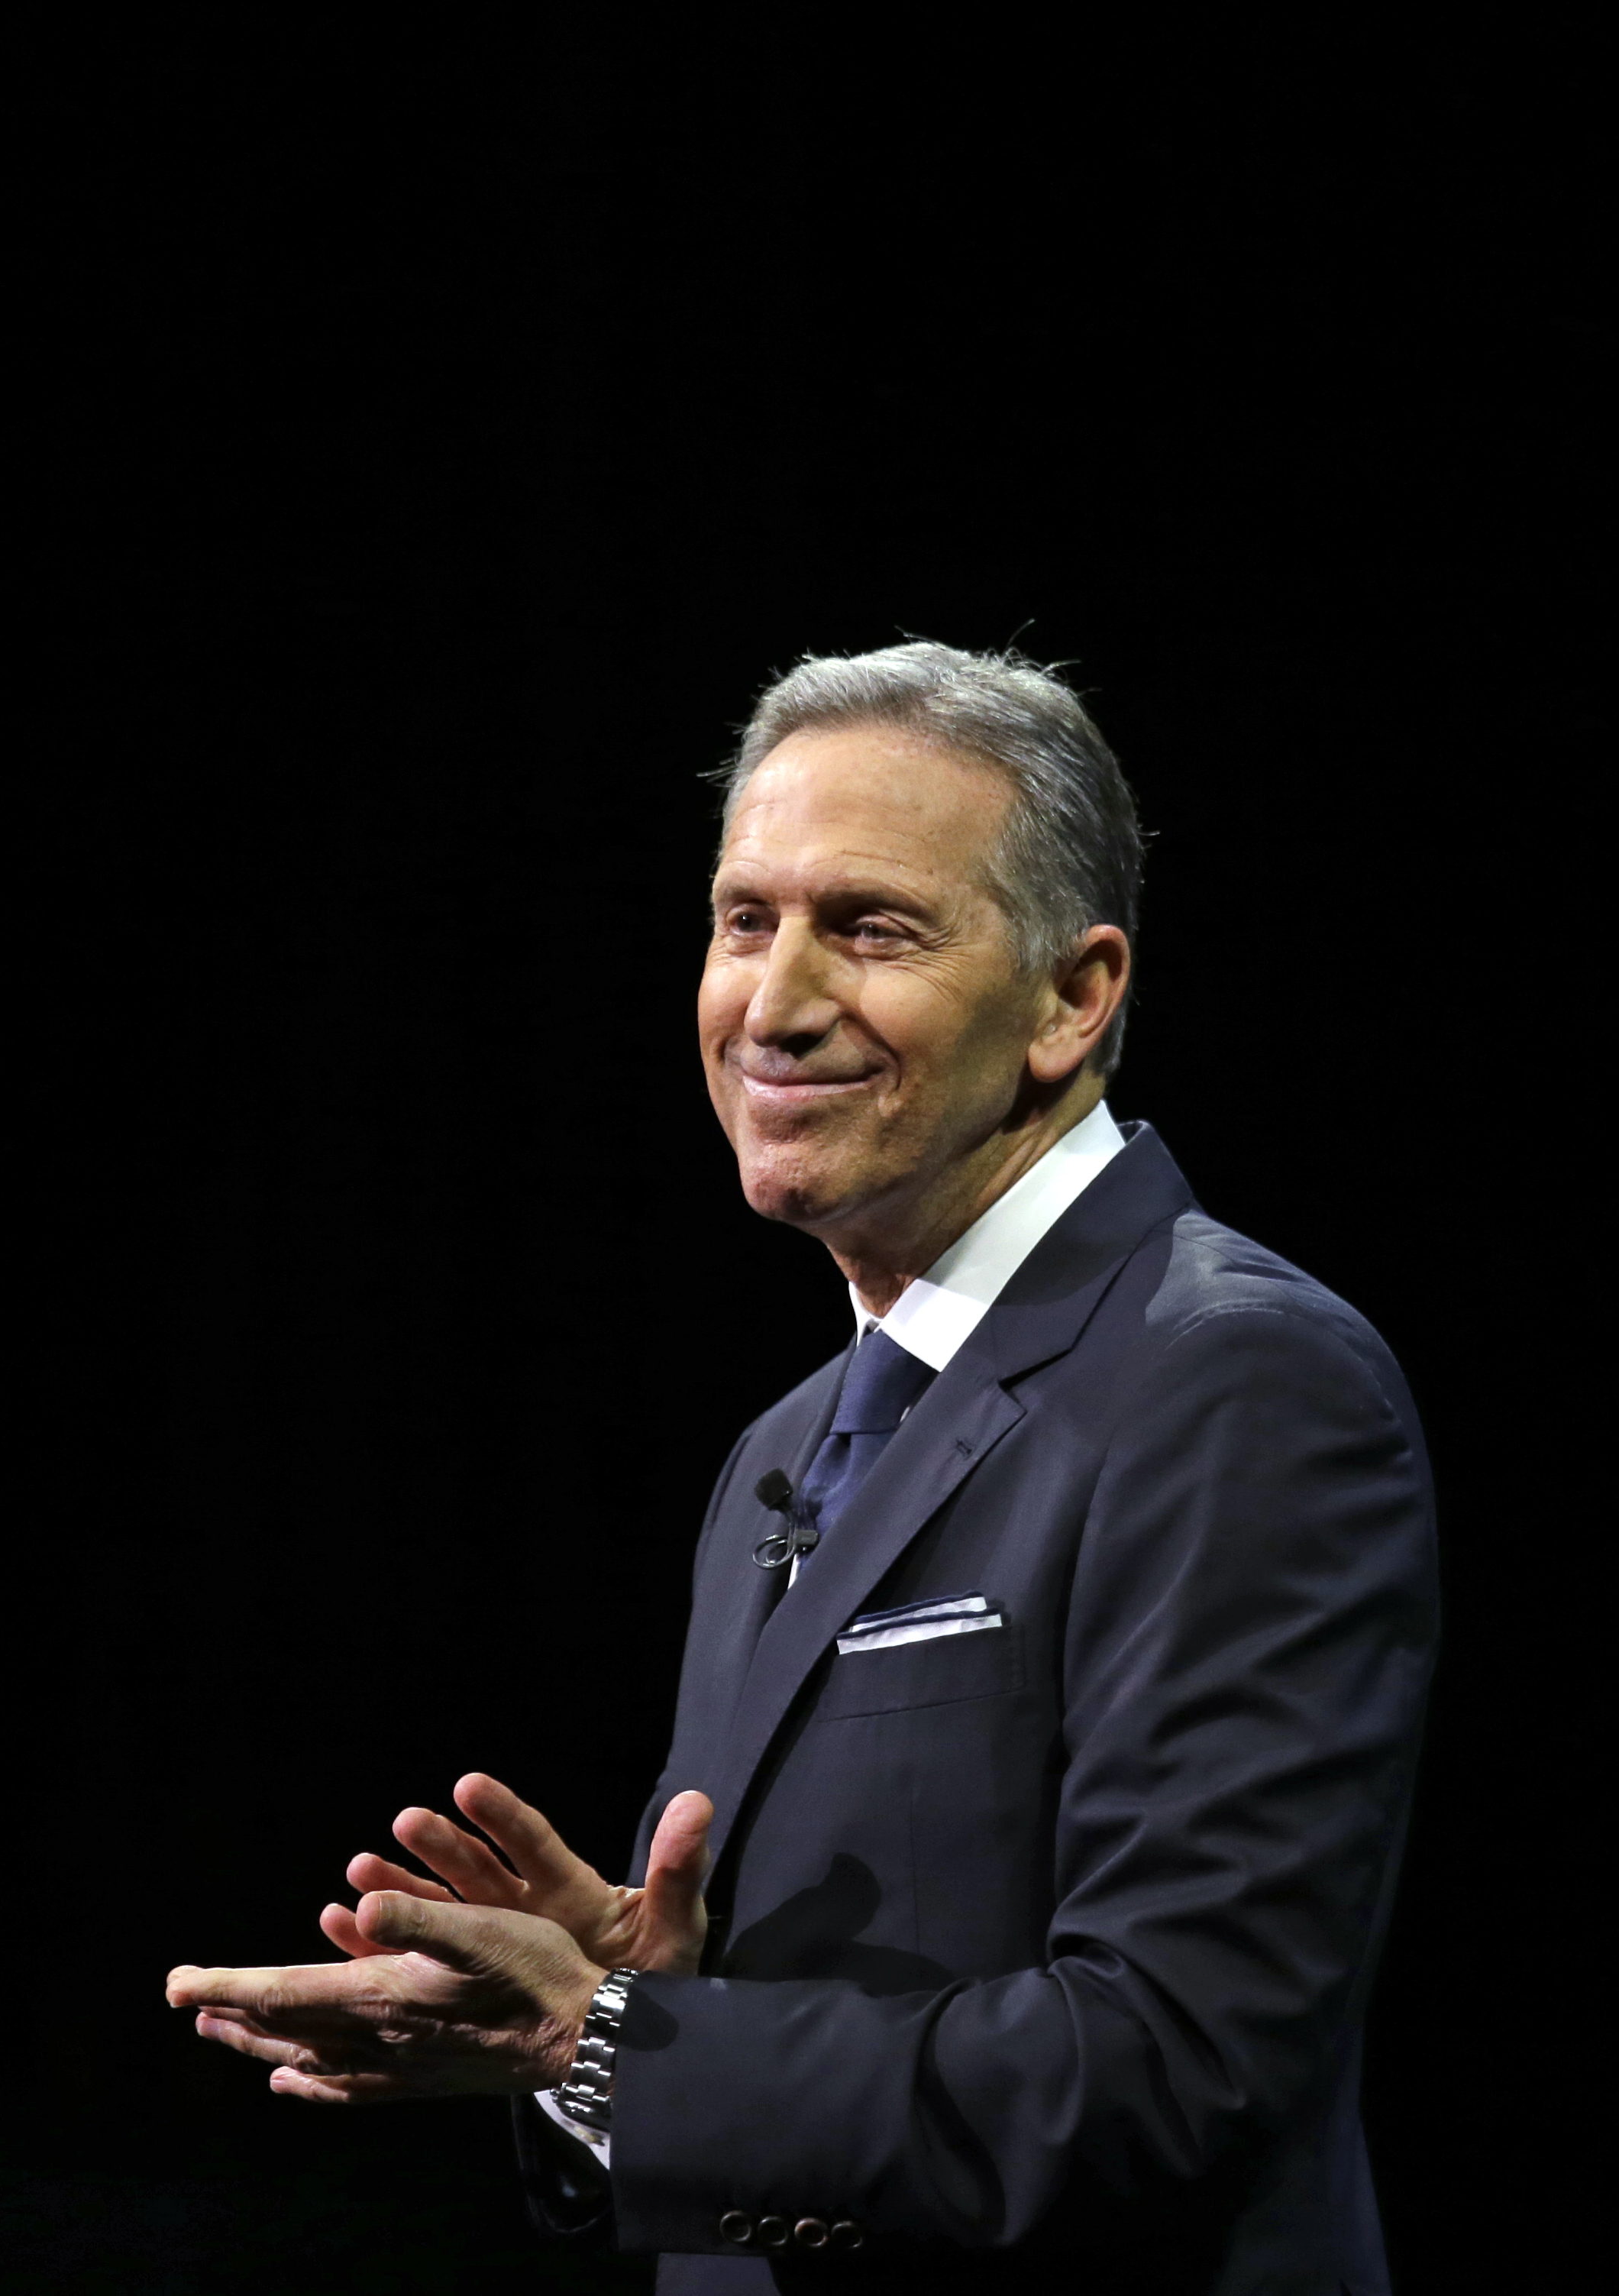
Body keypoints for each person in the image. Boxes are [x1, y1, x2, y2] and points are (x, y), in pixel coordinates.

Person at [168, 642, 1440, 2291]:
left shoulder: (1237, 1381)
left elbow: (1178, 2064)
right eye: (745, 920)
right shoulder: (792, 1444)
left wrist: (610, 2047)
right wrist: (642, 2003)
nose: (771, 1002)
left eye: (872, 927)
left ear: (1075, 994)